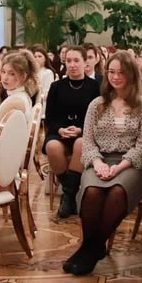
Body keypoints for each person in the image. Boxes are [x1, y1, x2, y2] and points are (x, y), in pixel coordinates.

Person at [64, 52, 142, 276]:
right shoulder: (97, 104)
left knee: (116, 191)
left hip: (133, 164)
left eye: (121, 73)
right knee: (92, 191)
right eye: (111, 72)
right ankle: (93, 248)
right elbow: (88, 142)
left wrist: (120, 166)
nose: (115, 77)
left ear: (131, 74)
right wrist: (97, 163)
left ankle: (91, 249)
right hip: (100, 159)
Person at [43, 47, 96, 221]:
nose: (72, 65)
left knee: (81, 144)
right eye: (68, 61)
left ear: (85, 62)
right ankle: (70, 194)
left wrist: (80, 129)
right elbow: (50, 117)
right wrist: (60, 130)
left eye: (76, 60)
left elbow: (98, 117)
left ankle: (68, 197)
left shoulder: (95, 87)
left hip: (85, 132)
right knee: (52, 146)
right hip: (60, 132)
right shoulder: (56, 87)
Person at [0, 50, 38, 122]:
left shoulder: (14, 102)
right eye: (3, 72)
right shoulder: (22, 95)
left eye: (12, 74)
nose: (5, 78)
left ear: (23, 77)